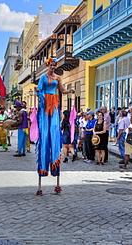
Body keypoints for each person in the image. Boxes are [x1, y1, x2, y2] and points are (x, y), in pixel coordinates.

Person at [34, 57, 75, 195]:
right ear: (47, 65)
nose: (52, 67)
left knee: (54, 132)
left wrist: (70, 91)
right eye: (50, 65)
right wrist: (40, 95)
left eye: (54, 65)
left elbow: (62, 90)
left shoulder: (58, 78)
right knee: (45, 135)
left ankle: (55, 167)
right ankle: (43, 169)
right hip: (46, 105)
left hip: (55, 105)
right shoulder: (43, 77)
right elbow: (39, 90)